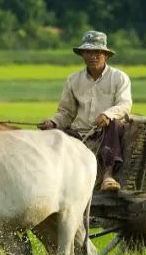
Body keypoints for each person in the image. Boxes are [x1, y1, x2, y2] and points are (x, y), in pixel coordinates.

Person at [38, 31, 132, 191]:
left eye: (97, 52)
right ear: (82, 55)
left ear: (106, 55)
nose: (93, 56)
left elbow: (124, 104)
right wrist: (53, 122)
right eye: (88, 52)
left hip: (107, 134)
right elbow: (66, 113)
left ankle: (108, 176)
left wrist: (107, 115)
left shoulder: (118, 77)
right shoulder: (73, 80)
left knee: (115, 124)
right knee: (55, 137)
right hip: (80, 134)